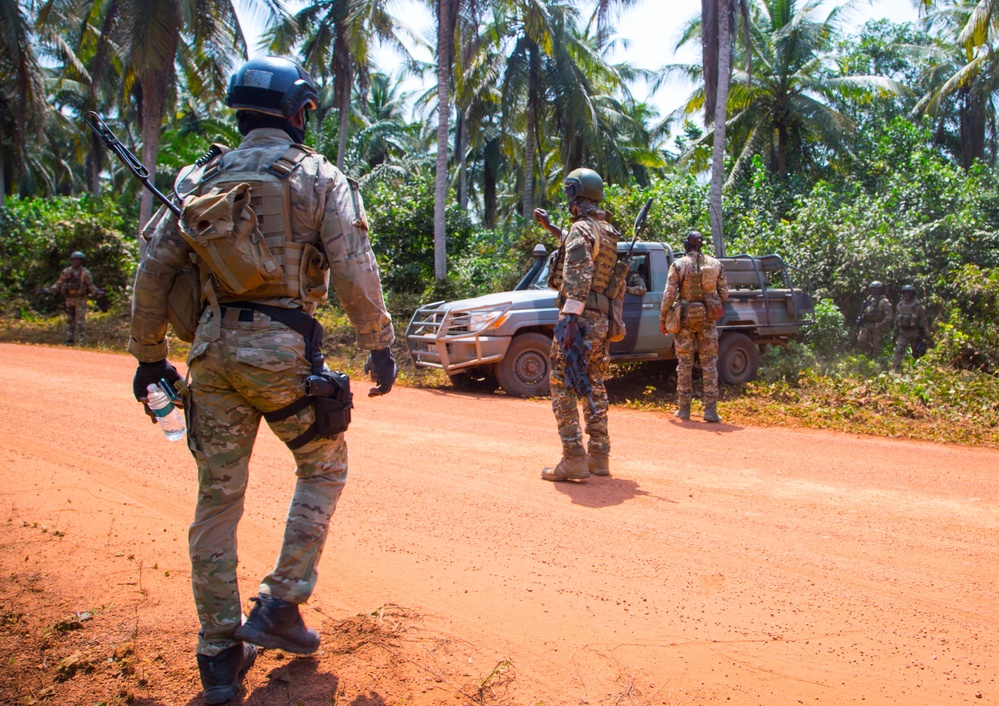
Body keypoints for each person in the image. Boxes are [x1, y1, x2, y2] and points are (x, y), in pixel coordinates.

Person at [128, 57, 397, 705]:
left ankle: (219, 652)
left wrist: (147, 356)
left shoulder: (199, 178)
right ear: (299, 110)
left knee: (217, 497)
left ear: (240, 110)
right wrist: (379, 344)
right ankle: (280, 602)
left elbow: (154, 268)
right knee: (323, 465)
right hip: (280, 352)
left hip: (211, 353)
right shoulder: (318, 175)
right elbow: (354, 265)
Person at [534, 167, 618, 481]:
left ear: (574, 194)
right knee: (594, 382)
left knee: (561, 381)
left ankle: (573, 457)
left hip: (579, 319)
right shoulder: (606, 230)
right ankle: (599, 456)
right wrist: (550, 227)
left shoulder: (583, 229)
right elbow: (576, 246)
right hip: (601, 320)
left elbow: (580, 275)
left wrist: (569, 320)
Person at [660, 231, 729, 423]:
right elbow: (724, 293)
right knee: (709, 366)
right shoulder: (716, 265)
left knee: (684, 365)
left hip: (684, 322)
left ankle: (684, 409)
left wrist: (663, 318)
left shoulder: (679, 265)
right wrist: (708, 303)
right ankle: (711, 411)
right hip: (707, 321)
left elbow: (668, 295)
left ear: (686, 245)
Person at [48, 251, 101, 345]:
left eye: (79, 260)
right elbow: (59, 283)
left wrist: (97, 291)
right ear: (71, 260)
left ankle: (81, 341)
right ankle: (69, 339)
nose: (76, 262)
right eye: (75, 260)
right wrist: (48, 290)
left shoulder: (85, 273)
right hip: (69, 298)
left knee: (80, 321)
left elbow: (90, 285)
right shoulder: (66, 272)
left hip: (80, 299)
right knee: (69, 319)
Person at [892, 284, 930, 372]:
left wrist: (927, 334)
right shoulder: (900, 305)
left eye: (909, 293)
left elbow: (924, 320)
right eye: (905, 293)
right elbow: (896, 321)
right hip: (903, 332)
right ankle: (895, 369)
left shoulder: (918, 306)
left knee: (916, 353)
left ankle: (920, 369)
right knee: (899, 350)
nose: (906, 295)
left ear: (912, 294)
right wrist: (894, 334)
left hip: (914, 332)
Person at [856, 281, 892, 358]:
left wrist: (881, 324)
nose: (874, 291)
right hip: (867, 323)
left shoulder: (884, 301)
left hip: (878, 324)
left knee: (877, 345)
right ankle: (870, 350)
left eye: (876, 289)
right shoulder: (869, 299)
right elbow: (865, 310)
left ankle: (876, 361)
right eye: (872, 289)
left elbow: (889, 316)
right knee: (861, 339)